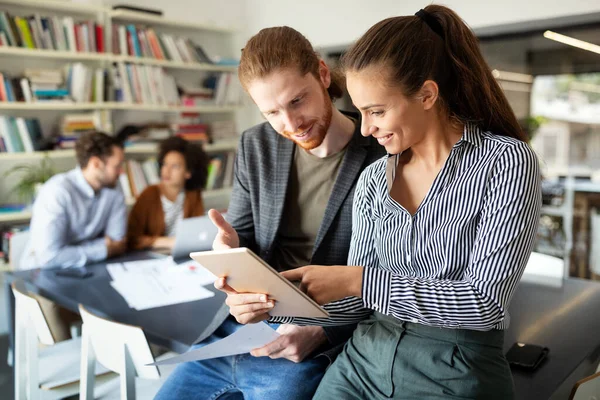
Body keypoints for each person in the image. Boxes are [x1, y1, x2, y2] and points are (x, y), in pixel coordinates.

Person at [245, 6, 541, 399]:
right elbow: (356, 307)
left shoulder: (505, 162)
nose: (366, 128)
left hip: (454, 370)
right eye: (363, 111)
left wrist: (358, 280)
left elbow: (484, 304)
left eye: (377, 111)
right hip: (363, 361)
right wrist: (276, 303)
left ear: (427, 94)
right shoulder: (372, 181)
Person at [154, 26, 385, 400]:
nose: (291, 125)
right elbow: (243, 235)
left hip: (317, 336)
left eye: (298, 101)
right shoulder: (256, 144)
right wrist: (229, 251)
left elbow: (389, 275)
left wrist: (326, 331)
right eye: (273, 112)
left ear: (323, 75)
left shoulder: (381, 149)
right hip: (243, 328)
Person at [20, 131, 127, 341]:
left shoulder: (113, 191)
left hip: (87, 274)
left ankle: (114, 365)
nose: (121, 172)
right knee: (58, 341)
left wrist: (101, 249)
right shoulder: (58, 192)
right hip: (41, 278)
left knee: (126, 304)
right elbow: (50, 257)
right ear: (96, 163)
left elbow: (118, 242)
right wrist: (102, 248)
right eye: (117, 165)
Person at [127, 136, 209, 251]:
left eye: (175, 166)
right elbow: (132, 239)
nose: (166, 171)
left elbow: (198, 232)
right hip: (152, 256)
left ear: (188, 173)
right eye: (165, 164)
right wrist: (164, 242)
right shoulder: (149, 194)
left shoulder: (193, 195)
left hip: (183, 253)